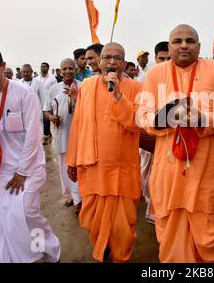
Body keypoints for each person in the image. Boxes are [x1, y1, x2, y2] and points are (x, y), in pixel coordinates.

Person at [137, 24, 214, 262]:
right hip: (168, 172)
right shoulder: (155, 73)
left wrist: (202, 120)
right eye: (177, 41)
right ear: (169, 47)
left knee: (209, 235)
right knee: (172, 235)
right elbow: (141, 114)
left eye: (190, 41)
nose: (183, 45)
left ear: (199, 47)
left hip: (207, 171)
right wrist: (160, 121)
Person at [0, 45, 61, 263]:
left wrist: (22, 171)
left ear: (3, 66)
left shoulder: (24, 94)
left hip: (28, 168)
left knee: (27, 215)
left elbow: (33, 136)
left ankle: (50, 250)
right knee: (4, 222)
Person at [67, 42, 142, 263]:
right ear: (98, 62)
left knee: (123, 228)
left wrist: (118, 95)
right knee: (92, 221)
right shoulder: (87, 86)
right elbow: (78, 125)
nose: (111, 61)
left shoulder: (136, 88)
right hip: (93, 168)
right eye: (107, 57)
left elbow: (136, 123)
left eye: (117, 58)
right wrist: (72, 161)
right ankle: (104, 247)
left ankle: (120, 257)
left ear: (124, 64)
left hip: (123, 170)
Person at [139, 41, 171, 224]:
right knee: (146, 173)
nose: (165, 61)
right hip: (148, 135)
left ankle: (161, 211)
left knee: (163, 175)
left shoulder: (177, 76)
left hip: (169, 136)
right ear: (155, 57)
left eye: (168, 58)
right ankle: (151, 206)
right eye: (161, 58)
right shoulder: (147, 77)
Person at [43, 59, 81, 214]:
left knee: (80, 166)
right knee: (65, 167)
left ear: (75, 69)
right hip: (62, 135)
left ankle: (80, 199)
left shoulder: (83, 86)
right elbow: (46, 111)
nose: (67, 71)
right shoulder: (54, 89)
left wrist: (76, 97)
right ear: (60, 70)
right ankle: (73, 196)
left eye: (70, 68)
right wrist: (52, 118)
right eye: (64, 68)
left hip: (80, 135)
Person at [36, 62, 57, 145]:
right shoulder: (37, 79)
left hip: (48, 102)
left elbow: (55, 90)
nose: (42, 68)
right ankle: (47, 134)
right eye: (41, 66)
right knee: (40, 120)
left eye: (44, 66)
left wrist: (54, 102)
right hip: (38, 102)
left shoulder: (52, 79)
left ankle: (46, 137)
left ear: (48, 68)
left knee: (46, 120)